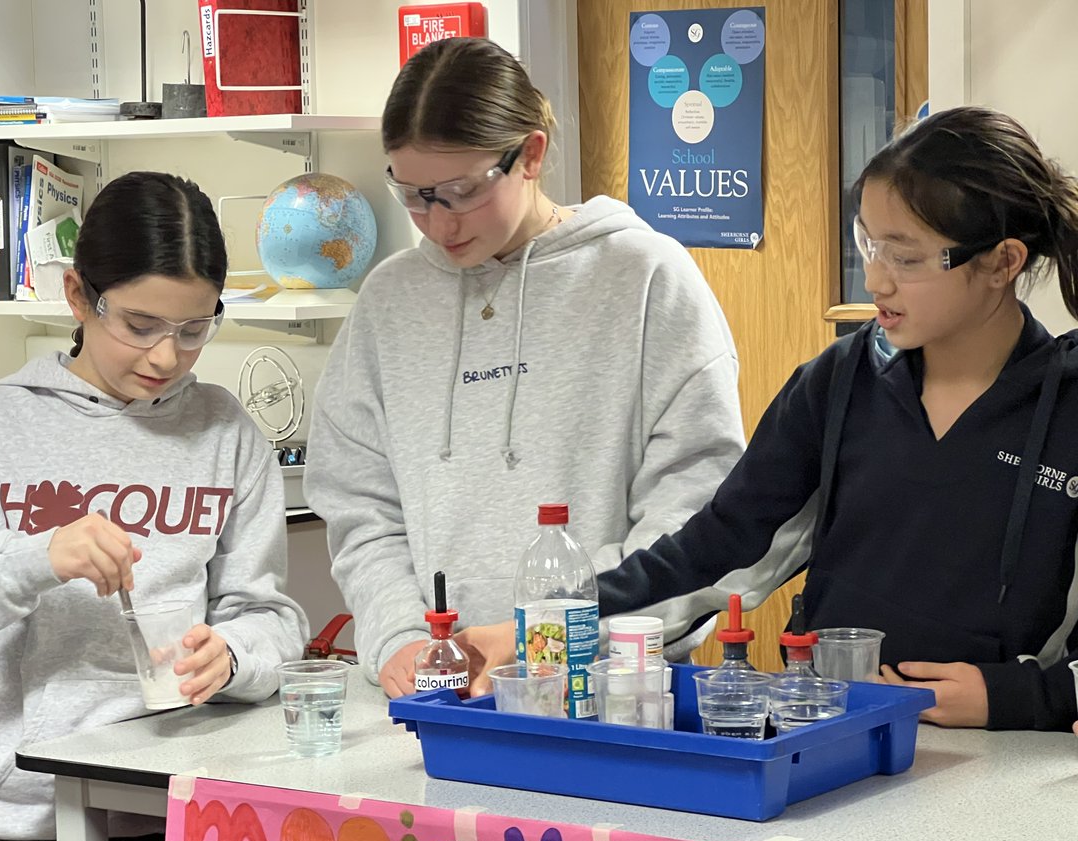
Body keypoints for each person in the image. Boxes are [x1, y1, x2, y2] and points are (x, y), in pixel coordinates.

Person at [559, 106, 1078, 732]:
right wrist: (570, 614)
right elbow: (720, 539)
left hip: (998, 759)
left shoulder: (1067, 402)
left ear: (1001, 262)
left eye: (906, 259)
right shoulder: (838, 381)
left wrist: (1020, 696)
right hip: (829, 733)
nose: (876, 280)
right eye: (868, 245)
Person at [0, 171, 309, 841]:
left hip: (188, 820)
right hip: (22, 829)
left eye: (194, 330)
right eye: (140, 326)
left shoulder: (226, 434)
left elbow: (269, 616)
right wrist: (31, 560)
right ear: (80, 297)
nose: (166, 357)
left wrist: (233, 657)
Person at [304, 36, 745, 697]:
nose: (438, 224)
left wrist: (566, 640)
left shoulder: (646, 278)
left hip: (611, 693)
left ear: (530, 154)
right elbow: (360, 506)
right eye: (414, 195)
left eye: (459, 191)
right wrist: (400, 638)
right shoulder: (389, 301)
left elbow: (696, 509)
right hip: (437, 694)